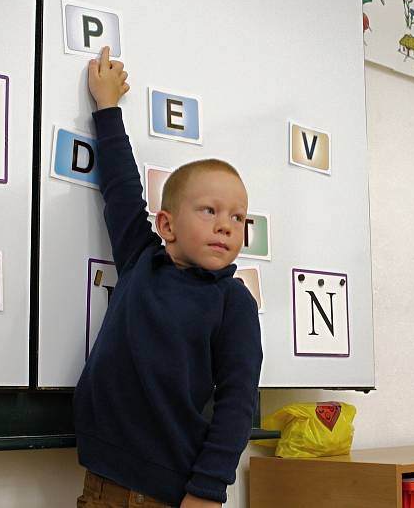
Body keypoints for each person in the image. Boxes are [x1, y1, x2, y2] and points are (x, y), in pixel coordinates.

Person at [74, 46, 263, 508]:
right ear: (167, 226)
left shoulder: (232, 303)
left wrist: (207, 489)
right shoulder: (142, 259)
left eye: (239, 218)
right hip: (100, 484)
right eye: (210, 211)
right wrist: (107, 108)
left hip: (168, 494)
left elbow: (238, 403)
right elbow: (120, 188)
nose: (226, 225)